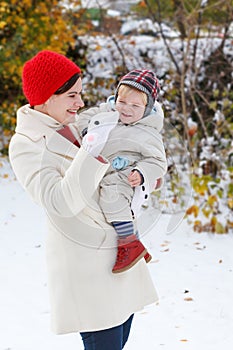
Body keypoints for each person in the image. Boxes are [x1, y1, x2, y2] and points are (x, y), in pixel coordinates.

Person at [9, 50, 159, 350]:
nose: (80, 102)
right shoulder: (25, 144)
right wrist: (90, 153)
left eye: (81, 94)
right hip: (86, 268)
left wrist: (144, 176)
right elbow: (58, 202)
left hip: (120, 256)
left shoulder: (79, 123)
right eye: (72, 95)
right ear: (47, 96)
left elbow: (129, 153)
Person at [77, 69, 167, 274]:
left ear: (147, 108)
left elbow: (158, 161)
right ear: (115, 98)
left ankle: (129, 243)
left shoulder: (148, 132)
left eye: (135, 106)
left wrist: (142, 172)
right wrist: (87, 131)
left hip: (125, 174)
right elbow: (84, 118)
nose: (126, 109)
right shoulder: (106, 112)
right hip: (99, 167)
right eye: (122, 102)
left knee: (112, 195)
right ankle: (135, 246)